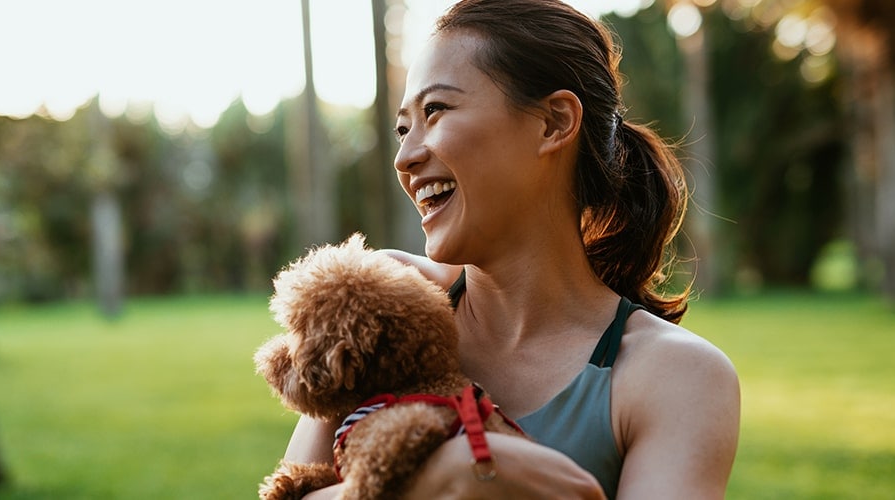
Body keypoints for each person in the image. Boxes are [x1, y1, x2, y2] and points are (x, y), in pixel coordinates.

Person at [279, 0, 740, 498]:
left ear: (553, 122)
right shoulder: (379, 307)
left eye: (435, 110)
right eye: (403, 128)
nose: (405, 157)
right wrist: (435, 480)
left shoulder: (675, 377)